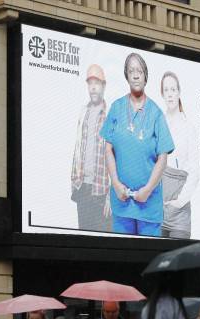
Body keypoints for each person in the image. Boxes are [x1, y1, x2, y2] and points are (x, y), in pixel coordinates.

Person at [101, 52, 175, 237]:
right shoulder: (116, 108)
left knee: (148, 262)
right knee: (122, 260)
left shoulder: (156, 113)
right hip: (122, 202)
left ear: (145, 76)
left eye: (139, 71)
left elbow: (163, 158)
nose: (135, 75)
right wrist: (116, 184)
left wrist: (148, 189)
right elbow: (108, 149)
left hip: (148, 206)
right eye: (131, 70)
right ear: (126, 74)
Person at [71, 63, 111, 232]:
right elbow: (78, 148)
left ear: (103, 85)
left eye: (97, 83)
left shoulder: (110, 115)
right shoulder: (83, 113)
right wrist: (74, 181)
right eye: (90, 83)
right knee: (84, 239)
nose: (93, 88)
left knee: (104, 243)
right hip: (83, 188)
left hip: (101, 191)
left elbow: (117, 158)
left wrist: (111, 196)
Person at [160, 71, 199, 239]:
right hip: (157, 212)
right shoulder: (158, 123)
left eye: (173, 89)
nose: (170, 94)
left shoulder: (188, 128)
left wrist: (180, 202)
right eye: (166, 90)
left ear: (179, 92)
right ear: (162, 93)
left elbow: (195, 171)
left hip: (179, 215)